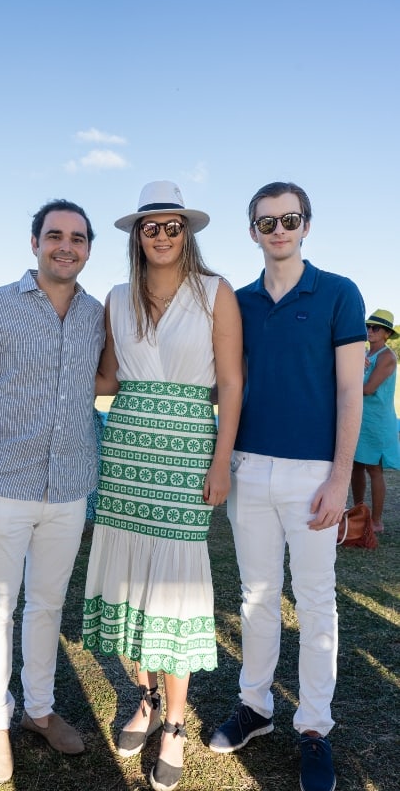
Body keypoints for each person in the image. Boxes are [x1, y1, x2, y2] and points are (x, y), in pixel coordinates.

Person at [82, 181, 243, 791]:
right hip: (124, 452)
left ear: (188, 231)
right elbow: (106, 376)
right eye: (152, 226)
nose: (163, 234)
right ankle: (145, 699)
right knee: (127, 580)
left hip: (184, 454)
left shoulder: (214, 292)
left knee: (174, 587)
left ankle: (174, 723)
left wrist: (220, 461)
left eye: (173, 225)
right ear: (136, 234)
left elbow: (230, 383)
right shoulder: (116, 296)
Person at [0, 200, 105, 784]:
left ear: (89, 248)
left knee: (49, 605)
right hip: (3, 482)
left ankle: (38, 708)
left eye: (78, 238)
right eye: (55, 235)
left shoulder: (95, 315)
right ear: (34, 242)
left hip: (70, 486)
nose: (67, 245)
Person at [208, 182, 366, 791]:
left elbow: (350, 391)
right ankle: (257, 707)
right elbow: (231, 385)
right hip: (249, 466)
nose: (279, 229)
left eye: (289, 219)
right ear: (252, 231)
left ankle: (315, 727)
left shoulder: (338, 293)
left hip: (312, 476)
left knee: (318, 599)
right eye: (267, 221)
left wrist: (339, 477)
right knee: (256, 595)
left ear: (306, 225)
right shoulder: (239, 302)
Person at [351, 309, 400, 533]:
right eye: (368, 327)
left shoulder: (388, 357)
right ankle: (358, 512)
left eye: (376, 328)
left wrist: (342, 385)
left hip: (377, 422)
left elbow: (369, 389)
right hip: (360, 419)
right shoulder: (365, 355)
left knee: (374, 469)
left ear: (387, 333)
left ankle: (376, 521)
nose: (370, 331)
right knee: (356, 465)